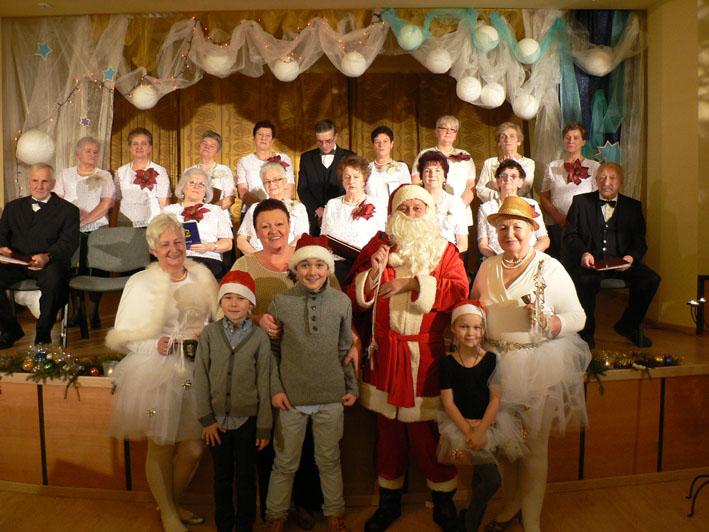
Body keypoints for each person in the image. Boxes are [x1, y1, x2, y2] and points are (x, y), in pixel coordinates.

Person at [345, 184, 469, 532]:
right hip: (384, 354)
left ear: (429, 213)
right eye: (405, 209)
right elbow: (354, 299)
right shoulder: (379, 248)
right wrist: (373, 272)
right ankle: (389, 503)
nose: (412, 215)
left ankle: (443, 500)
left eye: (418, 208)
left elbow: (459, 291)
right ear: (393, 214)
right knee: (388, 433)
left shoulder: (445, 251)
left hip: (424, 356)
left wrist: (415, 284)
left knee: (425, 432)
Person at [470, 197, 590, 532]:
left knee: (534, 447)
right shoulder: (488, 267)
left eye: (517, 227)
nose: (509, 234)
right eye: (503, 228)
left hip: (535, 364)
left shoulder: (550, 268)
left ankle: (532, 520)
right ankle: (511, 506)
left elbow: (578, 317)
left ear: (532, 229)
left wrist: (550, 323)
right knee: (504, 448)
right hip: (494, 367)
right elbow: (475, 306)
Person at [231, 199, 341, 528]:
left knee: (308, 439)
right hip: (262, 366)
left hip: (309, 368)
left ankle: (307, 504)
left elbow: (338, 304)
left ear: (289, 225)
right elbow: (227, 310)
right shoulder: (244, 265)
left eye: (278, 224)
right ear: (256, 231)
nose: (273, 231)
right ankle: (274, 510)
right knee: (268, 438)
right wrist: (255, 318)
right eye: (264, 226)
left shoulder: (311, 260)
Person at [107, 214, 219, 532]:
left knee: (194, 448)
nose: (173, 249)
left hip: (198, 368)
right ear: (154, 250)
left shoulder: (203, 277)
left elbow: (217, 319)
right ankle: (170, 513)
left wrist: (208, 335)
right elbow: (123, 336)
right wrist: (154, 344)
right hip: (157, 370)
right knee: (161, 444)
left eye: (178, 242)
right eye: (165, 244)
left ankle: (168, 503)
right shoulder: (140, 283)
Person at [193, 270, 272, 532]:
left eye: (241, 298)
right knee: (222, 477)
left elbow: (264, 384)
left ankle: (245, 525)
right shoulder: (209, 334)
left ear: (251, 304)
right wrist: (207, 419)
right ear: (220, 302)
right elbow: (200, 377)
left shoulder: (259, 338)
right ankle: (224, 525)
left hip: (248, 422)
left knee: (247, 478)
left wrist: (264, 427)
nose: (234, 304)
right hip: (216, 423)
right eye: (228, 298)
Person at [437, 301, 525, 532]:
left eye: (477, 328)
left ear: (483, 330)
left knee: (483, 479)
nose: (471, 333)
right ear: (454, 328)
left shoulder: (491, 360)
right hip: (461, 427)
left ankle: (469, 522)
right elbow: (448, 402)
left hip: (488, 426)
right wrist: (469, 431)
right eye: (464, 327)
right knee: (491, 479)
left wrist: (482, 430)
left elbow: (495, 398)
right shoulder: (447, 363)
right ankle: (468, 525)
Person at [563, 162, 661, 349]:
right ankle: (585, 335)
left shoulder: (633, 206)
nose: (606, 182)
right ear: (596, 180)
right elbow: (570, 236)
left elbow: (639, 241)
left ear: (621, 181)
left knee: (650, 279)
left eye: (612, 178)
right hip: (590, 264)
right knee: (584, 281)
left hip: (620, 263)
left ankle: (629, 325)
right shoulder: (581, 202)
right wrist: (583, 253)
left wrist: (631, 257)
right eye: (602, 177)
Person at [0, 163, 79, 347]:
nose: (39, 186)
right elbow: (2, 234)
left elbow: (68, 243)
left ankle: (43, 335)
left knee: (54, 282)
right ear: (29, 182)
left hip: (50, 262)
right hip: (16, 262)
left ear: (53, 183)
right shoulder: (12, 207)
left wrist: (47, 256)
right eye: (35, 181)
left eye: (45, 181)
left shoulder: (68, 210)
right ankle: (11, 329)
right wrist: (2, 247)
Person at [54, 136, 115, 329]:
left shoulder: (104, 175)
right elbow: (57, 200)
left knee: (98, 269)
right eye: (88, 151)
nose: (92, 154)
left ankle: (94, 311)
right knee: (73, 269)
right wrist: (73, 220)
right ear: (78, 153)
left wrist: (85, 221)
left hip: (98, 227)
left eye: (95, 151)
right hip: (70, 228)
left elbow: (106, 203)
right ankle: (77, 311)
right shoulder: (65, 174)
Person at [321, 154, 387, 282]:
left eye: (356, 177)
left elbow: (381, 239)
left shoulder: (377, 204)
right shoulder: (332, 204)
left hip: (364, 265)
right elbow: (323, 237)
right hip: (334, 266)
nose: (351, 181)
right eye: (347, 177)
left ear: (364, 180)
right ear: (342, 180)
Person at [540, 122, 600, 258]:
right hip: (557, 225)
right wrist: (559, 218)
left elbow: (597, 197)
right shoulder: (552, 166)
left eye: (576, 137)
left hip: (584, 225)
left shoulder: (594, 166)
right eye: (567, 137)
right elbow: (544, 196)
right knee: (559, 261)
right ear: (563, 140)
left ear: (583, 142)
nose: (571, 141)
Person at [163, 167, 233, 278]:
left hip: (208, 259)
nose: (197, 186)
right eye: (192, 182)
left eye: (202, 184)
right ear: (182, 187)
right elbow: (157, 241)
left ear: (206, 191)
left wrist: (209, 247)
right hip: (176, 258)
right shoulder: (169, 211)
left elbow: (228, 244)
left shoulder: (215, 211)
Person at [411, 115, 475, 226]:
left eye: (453, 129)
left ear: (456, 135)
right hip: (430, 212)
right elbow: (415, 182)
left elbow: (471, 185)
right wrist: (429, 205)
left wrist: (457, 206)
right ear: (436, 132)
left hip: (459, 211)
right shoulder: (424, 154)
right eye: (444, 128)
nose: (448, 132)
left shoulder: (465, 156)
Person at [477, 161, 549, 258]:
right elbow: (483, 244)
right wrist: (499, 260)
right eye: (504, 176)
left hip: (529, 259)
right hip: (496, 259)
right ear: (498, 181)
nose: (508, 179)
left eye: (513, 176)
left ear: (521, 182)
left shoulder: (531, 204)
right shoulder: (486, 208)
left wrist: (526, 258)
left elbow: (544, 239)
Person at [236, 162, 309, 255]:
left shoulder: (298, 208)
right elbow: (241, 240)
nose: (271, 184)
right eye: (267, 181)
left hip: (287, 258)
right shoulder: (255, 208)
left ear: (285, 182)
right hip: (256, 258)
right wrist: (257, 257)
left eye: (276, 180)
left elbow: (301, 238)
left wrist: (280, 256)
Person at [297, 119, 354, 235]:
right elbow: (302, 189)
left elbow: (352, 186)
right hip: (314, 219)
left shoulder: (349, 157)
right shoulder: (306, 158)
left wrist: (335, 210)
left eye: (328, 141)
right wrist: (318, 209)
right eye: (320, 141)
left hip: (342, 216)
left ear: (335, 137)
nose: (324, 145)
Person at [114, 127, 171, 227]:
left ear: (150, 148)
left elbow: (164, 203)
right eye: (135, 144)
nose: (139, 147)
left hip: (152, 225)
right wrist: (113, 225)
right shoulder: (120, 172)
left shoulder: (160, 171)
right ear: (130, 148)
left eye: (143, 144)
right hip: (125, 225)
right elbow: (116, 202)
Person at [417, 150, 469, 253]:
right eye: (427, 170)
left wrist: (446, 256)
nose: (432, 174)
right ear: (421, 177)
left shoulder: (456, 203)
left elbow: (463, 244)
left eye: (437, 170)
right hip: (419, 257)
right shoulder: (414, 202)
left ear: (444, 176)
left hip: (448, 257)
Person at [236, 120, 295, 209]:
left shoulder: (284, 158)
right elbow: (243, 190)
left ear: (272, 140)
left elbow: (290, 188)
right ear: (254, 138)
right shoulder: (244, 161)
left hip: (281, 208)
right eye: (260, 134)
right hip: (254, 209)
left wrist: (276, 208)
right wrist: (262, 208)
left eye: (268, 135)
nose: (263, 138)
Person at [475, 122, 535, 202]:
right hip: (495, 206)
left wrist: (492, 184)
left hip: (520, 205)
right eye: (503, 136)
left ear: (519, 142)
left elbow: (524, 188)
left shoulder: (528, 163)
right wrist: (500, 197)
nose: (507, 139)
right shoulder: (489, 163)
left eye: (512, 136)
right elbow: (480, 190)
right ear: (499, 142)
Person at [184, 130, 236, 210]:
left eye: (212, 146)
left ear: (217, 151)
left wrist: (210, 211)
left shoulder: (224, 170)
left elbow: (230, 198)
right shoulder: (189, 171)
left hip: (217, 212)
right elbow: (182, 197)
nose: (207, 147)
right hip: (192, 212)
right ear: (199, 146)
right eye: (204, 144)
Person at [366, 126, 411, 206]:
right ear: (373, 145)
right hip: (371, 211)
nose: (381, 145)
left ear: (391, 144)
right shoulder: (366, 168)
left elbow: (407, 193)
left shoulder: (401, 167)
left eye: (385, 141)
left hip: (393, 210)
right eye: (377, 142)